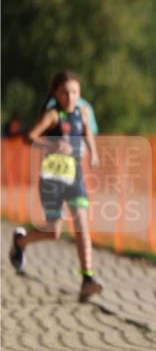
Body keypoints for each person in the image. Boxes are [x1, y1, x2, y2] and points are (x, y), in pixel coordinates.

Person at [9, 70, 104, 301]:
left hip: (75, 177)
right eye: (64, 93)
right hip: (52, 178)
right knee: (54, 231)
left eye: (74, 92)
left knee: (82, 223)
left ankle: (87, 279)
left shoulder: (82, 112)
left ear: (79, 93)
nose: (70, 97)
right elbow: (29, 137)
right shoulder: (52, 115)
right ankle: (20, 242)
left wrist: (93, 152)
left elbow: (87, 132)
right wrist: (50, 145)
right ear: (56, 94)